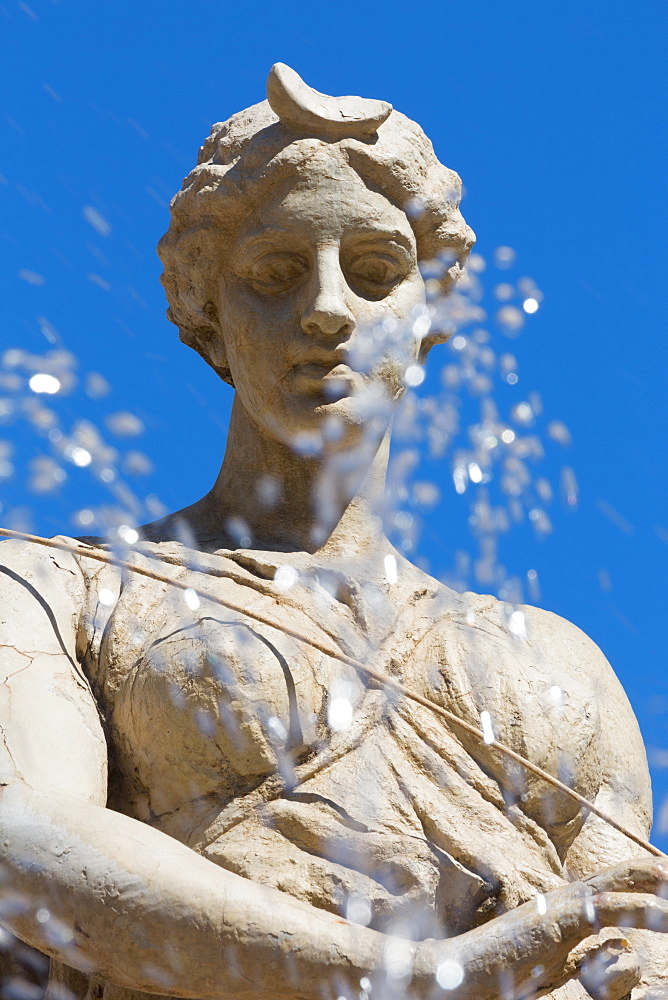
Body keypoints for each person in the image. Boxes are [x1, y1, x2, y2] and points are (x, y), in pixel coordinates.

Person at [1, 64, 666, 1000]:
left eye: (376, 273)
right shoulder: (57, 587)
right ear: (209, 316)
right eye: (274, 274)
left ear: (425, 315)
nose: (325, 310)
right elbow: (21, 848)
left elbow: (635, 943)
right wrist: (424, 976)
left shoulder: (554, 664)